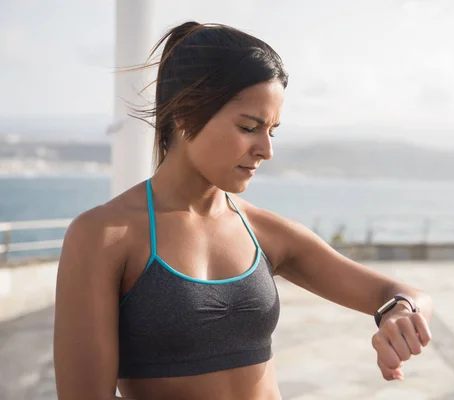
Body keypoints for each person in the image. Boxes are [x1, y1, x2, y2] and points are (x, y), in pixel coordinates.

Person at [53, 21, 433, 400]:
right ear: (185, 114)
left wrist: (401, 311)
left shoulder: (261, 231)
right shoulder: (104, 237)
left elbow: (403, 292)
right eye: (250, 127)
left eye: (272, 130)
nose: (267, 150)